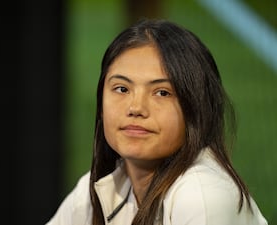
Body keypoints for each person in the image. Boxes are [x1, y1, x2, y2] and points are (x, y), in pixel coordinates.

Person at [46, 19, 268, 225]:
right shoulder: (101, 187)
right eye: (121, 89)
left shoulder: (201, 195)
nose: (136, 108)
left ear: (196, 108)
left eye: (162, 93)